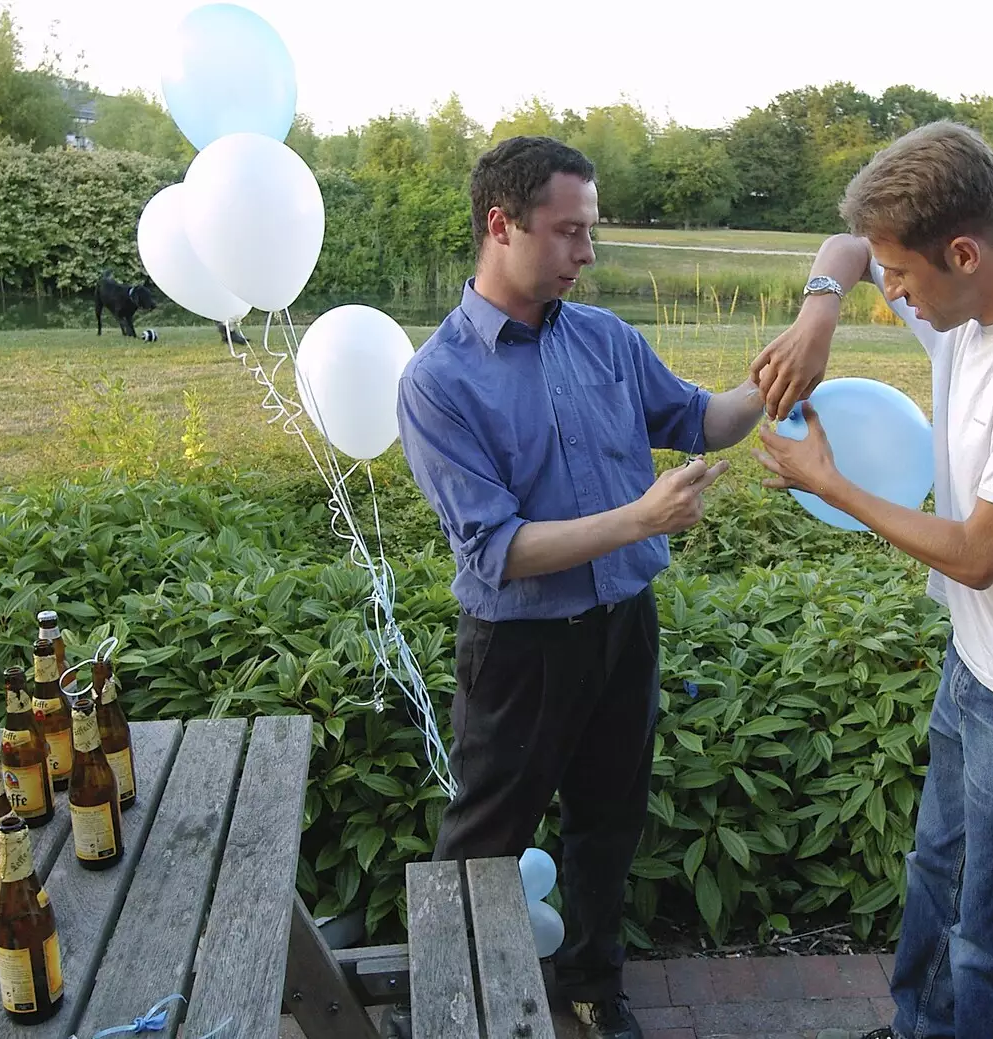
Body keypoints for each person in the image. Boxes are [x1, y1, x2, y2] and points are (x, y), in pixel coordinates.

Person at [750, 121, 993, 1039]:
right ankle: (919, 1027)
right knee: (936, 875)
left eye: (902, 276)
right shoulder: (969, 304)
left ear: (963, 251)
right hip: (982, 657)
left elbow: (978, 551)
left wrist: (830, 484)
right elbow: (849, 247)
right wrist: (819, 314)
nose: (891, 292)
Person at [396, 135, 763, 1039]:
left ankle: (593, 986)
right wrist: (640, 518)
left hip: (623, 628)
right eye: (568, 233)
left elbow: (699, 420)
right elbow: (499, 550)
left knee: (608, 822)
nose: (586, 254)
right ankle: (453, 1004)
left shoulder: (604, 338)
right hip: (520, 649)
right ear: (501, 224)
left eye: (589, 232)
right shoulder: (438, 380)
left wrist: (775, 376)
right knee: (483, 840)